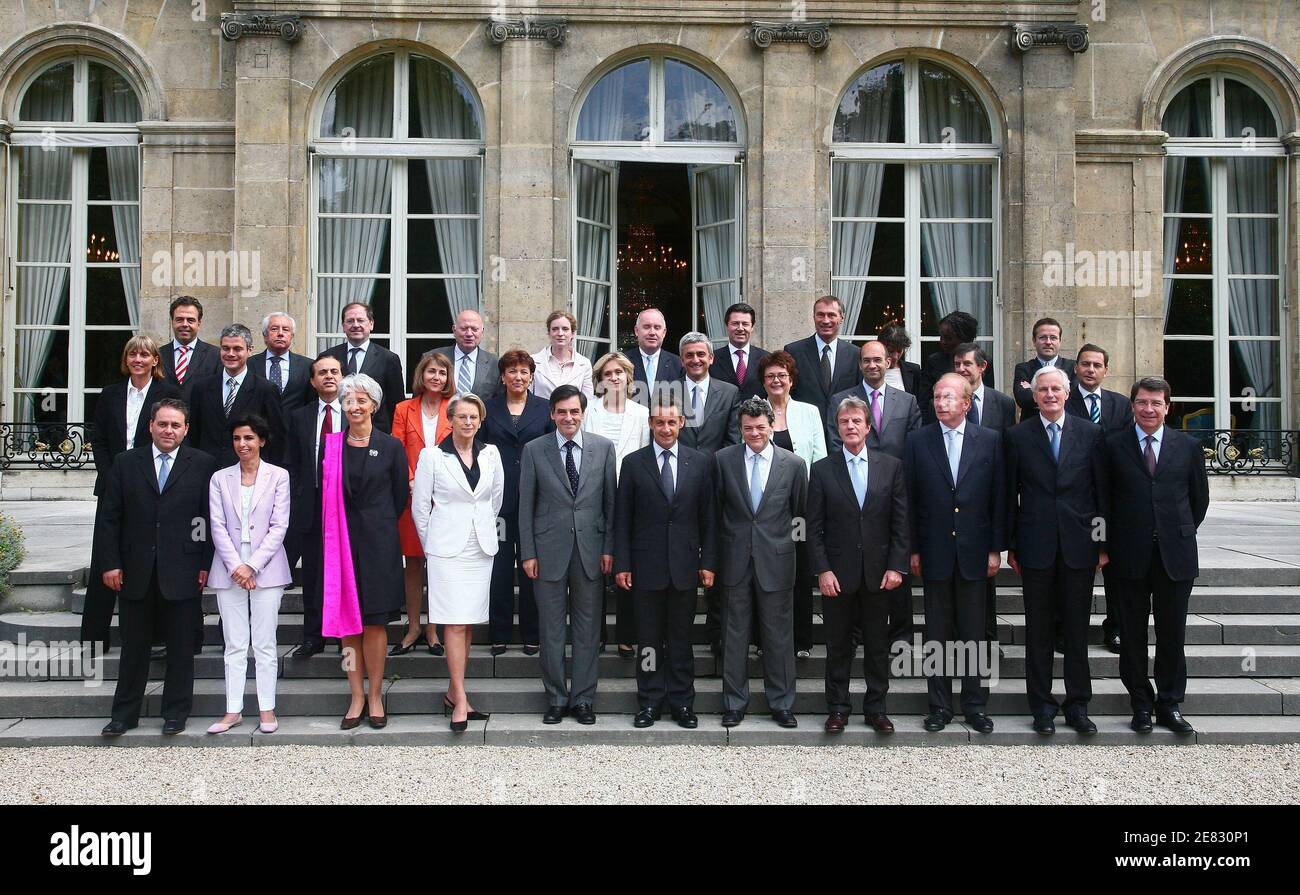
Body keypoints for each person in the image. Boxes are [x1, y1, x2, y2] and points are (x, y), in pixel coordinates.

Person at [96, 398, 216, 737]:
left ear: (186, 429)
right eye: (162, 424)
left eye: (175, 425)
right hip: (135, 570)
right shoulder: (125, 462)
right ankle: (124, 714)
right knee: (133, 647)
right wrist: (110, 563)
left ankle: (175, 713)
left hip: (184, 569)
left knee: (180, 648)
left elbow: (207, 519)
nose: (168, 430)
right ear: (150, 426)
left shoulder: (203, 464)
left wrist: (205, 563)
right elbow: (110, 518)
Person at [1103, 377, 1209, 735]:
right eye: (1142, 402)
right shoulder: (1112, 445)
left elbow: (1199, 500)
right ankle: (1140, 704)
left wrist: (1173, 530)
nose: (1149, 409)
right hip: (1127, 555)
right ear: (1132, 405)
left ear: (1168, 407)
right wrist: (1104, 544)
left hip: (1174, 555)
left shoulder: (1187, 446)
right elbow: (1102, 500)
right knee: (1132, 634)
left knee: (1172, 633)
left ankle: (1169, 702)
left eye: (1156, 403)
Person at [1005, 367, 1108, 736]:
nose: (1049, 395)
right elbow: (1008, 495)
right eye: (1043, 390)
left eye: (1056, 389)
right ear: (1034, 396)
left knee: (1077, 632)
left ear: (1068, 394)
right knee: (1039, 632)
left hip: (1080, 547)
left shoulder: (1092, 434)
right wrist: (1012, 544)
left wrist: (1102, 542)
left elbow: (1102, 493)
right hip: (1035, 548)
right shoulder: (1017, 436)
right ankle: (1042, 707)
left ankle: (1078, 705)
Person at [904, 372, 1005, 734]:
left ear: (966, 403)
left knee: (973, 634)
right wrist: (913, 549)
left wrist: (996, 549)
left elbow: (999, 498)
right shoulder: (917, 441)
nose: (941, 403)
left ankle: (975, 705)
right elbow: (910, 501)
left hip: (976, 552)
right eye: (937, 397)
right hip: (934, 552)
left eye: (949, 397)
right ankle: (940, 706)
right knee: (937, 634)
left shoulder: (990, 440)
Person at [807, 396, 909, 734]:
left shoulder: (890, 466)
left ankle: (876, 708)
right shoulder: (822, 469)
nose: (850, 427)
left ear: (868, 427)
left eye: (856, 421)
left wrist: (897, 566)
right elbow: (814, 527)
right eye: (844, 422)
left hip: (880, 575)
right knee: (838, 646)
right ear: (837, 429)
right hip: (837, 574)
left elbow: (899, 523)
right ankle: (837, 707)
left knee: (878, 646)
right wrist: (822, 569)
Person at [614, 397, 716, 730]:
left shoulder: (700, 463)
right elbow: (622, 519)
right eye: (660, 422)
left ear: (682, 423)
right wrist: (623, 564)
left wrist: (709, 562)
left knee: (681, 640)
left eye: (672, 422)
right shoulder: (633, 463)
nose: (666, 428)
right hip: (645, 567)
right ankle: (650, 701)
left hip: (685, 566)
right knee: (648, 641)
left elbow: (709, 519)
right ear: (651, 424)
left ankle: (682, 703)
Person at [518, 385, 617, 725]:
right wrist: (527, 552)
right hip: (547, 552)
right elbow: (525, 505)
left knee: (588, 630)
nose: (568, 417)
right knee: (551, 629)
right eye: (562, 411)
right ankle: (557, 698)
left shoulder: (604, 449)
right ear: (552, 414)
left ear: (583, 412)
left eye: (574, 411)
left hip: (591, 551)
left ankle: (584, 699)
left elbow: (610, 505)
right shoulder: (534, 450)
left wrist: (609, 548)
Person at [320, 373, 408, 729]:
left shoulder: (390, 446)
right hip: (340, 544)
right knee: (347, 627)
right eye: (347, 401)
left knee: (374, 624)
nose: (353, 407)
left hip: (378, 544)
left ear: (374, 404)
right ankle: (355, 694)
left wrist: (378, 523)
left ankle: (374, 695)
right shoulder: (331, 445)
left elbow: (400, 494)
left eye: (360, 400)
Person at [412, 394, 505, 732]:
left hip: (479, 548)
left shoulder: (491, 453)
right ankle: (462, 698)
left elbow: (496, 498)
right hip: (445, 549)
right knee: (452, 622)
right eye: (462, 416)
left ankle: (454, 690)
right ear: (451, 420)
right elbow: (420, 508)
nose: (468, 422)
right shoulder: (432, 457)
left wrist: (479, 529)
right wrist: (432, 546)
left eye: (474, 417)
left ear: (481, 420)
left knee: (467, 623)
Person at [83, 335, 181, 653]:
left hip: (150, 486)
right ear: (126, 360)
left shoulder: (167, 394)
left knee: (144, 557)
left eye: (144, 354)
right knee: (106, 553)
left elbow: (170, 439)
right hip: (113, 483)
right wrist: (111, 474)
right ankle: (95, 635)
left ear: (155, 360)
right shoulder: (110, 394)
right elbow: (98, 438)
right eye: (132, 355)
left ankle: (149, 636)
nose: (138, 360)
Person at [716, 397, 808, 728]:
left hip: (778, 561)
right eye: (747, 428)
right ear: (740, 430)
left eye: (760, 427)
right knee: (734, 634)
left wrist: (792, 553)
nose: (754, 433)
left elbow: (799, 517)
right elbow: (717, 511)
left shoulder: (794, 465)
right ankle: (734, 703)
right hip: (734, 559)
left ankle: (782, 703)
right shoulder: (723, 461)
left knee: (779, 636)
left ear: (772, 426)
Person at [828, 339, 921, 644]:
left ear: (889, 362)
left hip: (894, 491)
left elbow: (913, 446)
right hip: (853, 491)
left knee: (896, 564)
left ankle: (902, 635)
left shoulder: (906, 401)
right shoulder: (841, 399)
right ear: (859, 364)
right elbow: (834, 442)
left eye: (878, 360)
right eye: (866, 360)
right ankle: (855, 634)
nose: (872, 365)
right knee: (857, 567)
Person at [205, 414, 292, 736]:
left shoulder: (278, 476)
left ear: (262, 441)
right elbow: (216, 525)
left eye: (249, 438)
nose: (243, 445)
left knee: (266, 642)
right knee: (235, 642)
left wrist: (252, 565)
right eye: (238, 438)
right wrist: (236, 566)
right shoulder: (219, 478)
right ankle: (233, 710)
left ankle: (267, 708)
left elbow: (279, 525)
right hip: (228, 567)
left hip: (266, 567)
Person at [481, 350, 554, 656]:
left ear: (531, 376)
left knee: (531, 569)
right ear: (502, 376)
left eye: (524, 372)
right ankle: (498, 632)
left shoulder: (544, 408)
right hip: (497, 501)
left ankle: (531, 634)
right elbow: (479, 449)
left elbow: (552, 450)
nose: (518, 377)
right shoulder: (487, 407)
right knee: (498, 569)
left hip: (535, 500)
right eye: (512, 371)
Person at [1065, 343, 1134, 653]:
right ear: (1076, 368)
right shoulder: (1063, 400)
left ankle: (1116, 627)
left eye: (1096, 365)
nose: (1090, 369)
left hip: (1111, 499)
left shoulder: (1120, 405)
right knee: (1074, 567)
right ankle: (1066, 629)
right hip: (1076, 497)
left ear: (1106, 370)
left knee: (1113, 566)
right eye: (1085, 364)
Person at [755, 350, 825, 658]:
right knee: (763, 572)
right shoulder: (754, 411)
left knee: (798, 571)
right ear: (763, 381)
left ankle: (801, 640)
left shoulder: (809, 412)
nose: (776, 380)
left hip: (800, 510)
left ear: (791, 379)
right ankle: (761, 639)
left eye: (782, 375)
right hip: (765, 509)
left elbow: (820, 459)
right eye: (770, 376)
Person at [582, 351, 650, 658]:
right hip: (594, 495)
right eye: (608, 373)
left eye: (619, 373)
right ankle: (596, 634)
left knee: (627, 565)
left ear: (628, 378)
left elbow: (646, 454)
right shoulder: (588, 412)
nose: (614, 378)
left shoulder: (641, 413)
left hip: (632, 497)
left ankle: (626, 634)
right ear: (599, 380)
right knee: (595, 568)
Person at [952, 341, 1016, 650]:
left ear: (982, 367)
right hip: (955, 505)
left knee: (987, 578)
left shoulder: (1002, 403)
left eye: (967, 364)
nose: (961, 369)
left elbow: (1009, 450)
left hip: (987, 502)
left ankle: (988, 638)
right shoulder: (945, 400)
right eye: (957, 365)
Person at [389, 351, 454, 657]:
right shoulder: (404, 408)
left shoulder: (454, 409)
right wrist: (413, 480)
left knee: (439, 564)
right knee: (413, 563)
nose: (436, 377)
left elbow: (459, 450)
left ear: (447, 378)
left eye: (442, 372)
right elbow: (397, 447)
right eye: (431, 371)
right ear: (421, 375)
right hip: (412, 495)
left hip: (445, 498)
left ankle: (434, 630)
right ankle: (413, 626)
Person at [285, 353, 343, 658]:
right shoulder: (300, 416)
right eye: (322, 372)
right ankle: (313, 636)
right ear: (312, 381)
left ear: (342, 377)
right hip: (312, 504)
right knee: (313, 575)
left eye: (334, 371)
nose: (329, 376)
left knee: (345, 572)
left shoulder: (355, 412)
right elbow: (291, 462)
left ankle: (344, 635)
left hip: (348, 507)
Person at [185, 323, 287, 467]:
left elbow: (276, 436)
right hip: (206, 470)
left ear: (250, 350)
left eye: (237, 349)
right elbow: (194, 433)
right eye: (226, 348)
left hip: (248, 471)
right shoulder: (201, 388)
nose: (231, 354)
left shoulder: (266, 389)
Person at [324, 302, 406, 433]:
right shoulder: (329, 357)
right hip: (337, 432)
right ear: (343, 326)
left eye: (360, 320)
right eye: (350, 321)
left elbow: (396, 404)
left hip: (376, 433)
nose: (356, 325)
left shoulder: (388, 359)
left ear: (371, 324)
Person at [782, 296, 860, 427]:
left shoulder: (855, 354)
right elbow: (787, 393)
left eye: (831, 315)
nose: (825, 320)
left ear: (842, 318)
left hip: (843, 431)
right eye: (820, 315)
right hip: (805, 427)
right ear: (813, 317)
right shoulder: (794, 351)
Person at [919, 311, 992, 423]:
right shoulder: (934, 362)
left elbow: (988, 396)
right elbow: (924, 403)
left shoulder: (982, 361)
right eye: (941, 337)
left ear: (965, 339)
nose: (942, 342)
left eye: (948, 338)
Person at [677, 332, 740, 453]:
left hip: (716, 468)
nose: (695, 360)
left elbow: (733, 440)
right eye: (689, 355)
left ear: (711, 358)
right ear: (682, 360)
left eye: (701, 354)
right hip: (679, 468)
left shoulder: (729, 393)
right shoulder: (666, 392)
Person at [248, 312, 314, 415]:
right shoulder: (249, 364)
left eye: (286, 330)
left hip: (295, 428)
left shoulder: (308, 366)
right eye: (274, 329)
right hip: (259, 428)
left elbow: (312, 402)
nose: (280, 333)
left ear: (292, 336)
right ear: (265, 335)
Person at [1012, 317, 1076, 417]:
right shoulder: (1024, 368)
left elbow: (1074, 400)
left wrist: (1033, 390)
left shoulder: (1072, 367)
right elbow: (1023, 399)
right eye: (1043, 337)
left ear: (1060, 341)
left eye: (1053, 338)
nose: (1048, 342)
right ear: (1034, 340)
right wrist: (1059, 395)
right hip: (1032, 428)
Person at [434, 308, 501, 400]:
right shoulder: (432, 358)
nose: (469, 334)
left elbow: (500, 401)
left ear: (482, 331)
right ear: (454, 330)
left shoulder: (495, 363)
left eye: (474, 329)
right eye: (464, 328)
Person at [160, 296, 220, 396]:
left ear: (199, 323)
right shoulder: (158, 355)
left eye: (190, 320)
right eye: (179, 319)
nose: (185, 324)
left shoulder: (216, 355)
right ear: (172, 322)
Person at [530, 310, 595, 400]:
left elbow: (587, 401)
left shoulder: (584, 364)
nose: (560, 333)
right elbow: (527, 397)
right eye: (555, 329)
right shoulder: (533, 361)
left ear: (572, 333)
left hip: (570, 414)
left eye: (565, 329)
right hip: (540, 414)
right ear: (549, 333)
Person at [710, 302, 769, 398]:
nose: (740, 328)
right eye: (735, 323)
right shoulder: (712, 359)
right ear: (727, 326)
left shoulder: (766, 359)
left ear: (752, 328)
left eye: (745, 324)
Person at [627, 308, 684, 406]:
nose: (652, 332)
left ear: (664, 332)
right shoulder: (623, 361)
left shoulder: (678, 364)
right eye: (646, 327)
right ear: (636, 331)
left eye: (657, 327)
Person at [878, 324, 921, 396]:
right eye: (890, 351)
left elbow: (918, 401)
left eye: (899, 351)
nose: (895, 356)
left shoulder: (913, 370)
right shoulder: (871, 369)